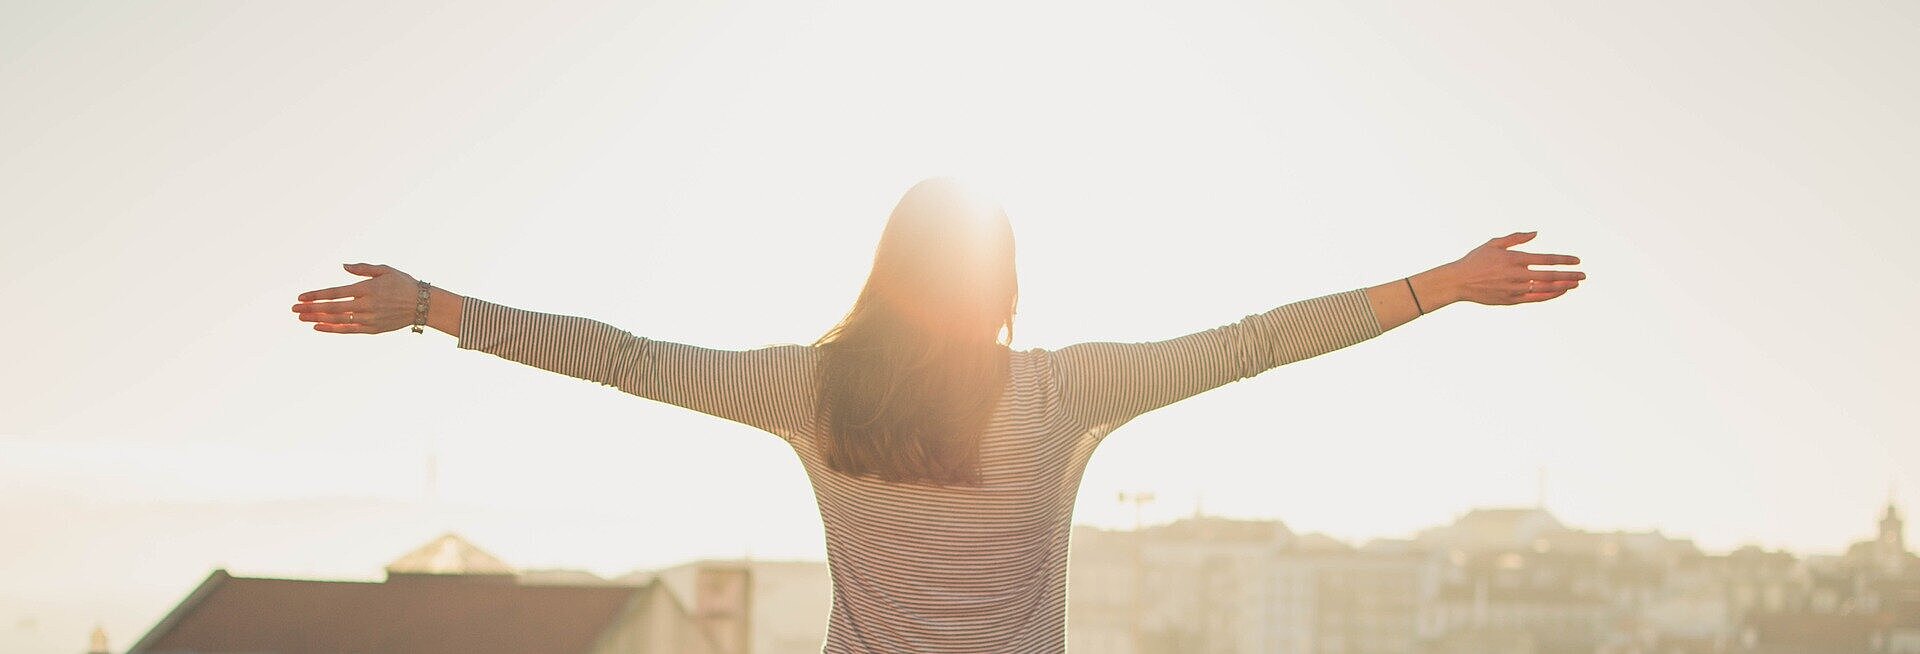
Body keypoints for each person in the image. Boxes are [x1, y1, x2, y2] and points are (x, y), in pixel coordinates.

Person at [291, 178, 1584, 653]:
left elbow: (625, 358)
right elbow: (1248, 346)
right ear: (1005, 283)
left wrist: (433, 305)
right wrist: (1438, 287)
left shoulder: (810, 386)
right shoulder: (1062, 389)